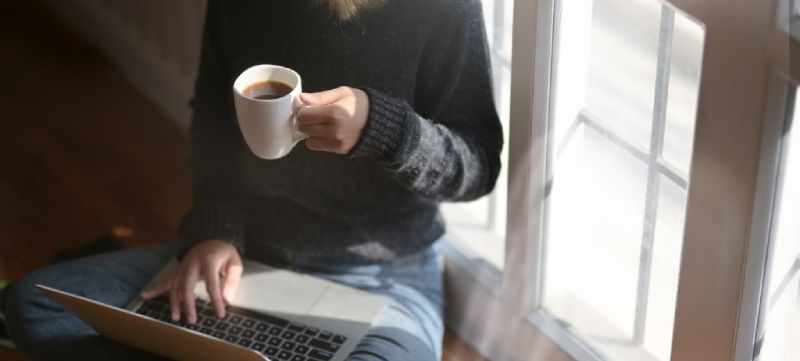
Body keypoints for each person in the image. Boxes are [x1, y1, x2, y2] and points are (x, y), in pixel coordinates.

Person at [3, 0, 503, 359]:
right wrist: (215, 229)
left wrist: (387, 128)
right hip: (247, 255)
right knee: (36, 305)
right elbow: (216, 123)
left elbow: (477, 167)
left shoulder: (444, 10)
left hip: (383, 276)